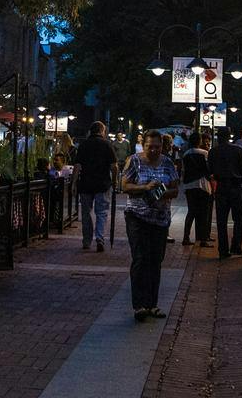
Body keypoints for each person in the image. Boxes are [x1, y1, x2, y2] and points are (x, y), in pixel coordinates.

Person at [119, 132, 178, 322]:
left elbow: (175, 189)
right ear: (143, 145)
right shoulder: (134, 161)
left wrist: (161, 191)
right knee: (140, 257)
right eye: (149, 146)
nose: (153, 150)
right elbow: (125, 186)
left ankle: (152, 303)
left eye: (157, 147)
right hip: (137, 216)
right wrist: (145, 188)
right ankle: (139, 305)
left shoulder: (168, 163)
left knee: (155, 260)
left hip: (160, 219)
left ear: (162, 146)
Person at [74, 122, 117, 252]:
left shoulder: (83, 144)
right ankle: (100, 238)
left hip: (86, 184)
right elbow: (114, 166)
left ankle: (87, 240)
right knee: (101, 212)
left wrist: (74, 183)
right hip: (102, 184)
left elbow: (77, 165)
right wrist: (114, 182)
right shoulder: (107, 144)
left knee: (86, 213)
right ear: (102, 131)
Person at [210, 129, 242, 258]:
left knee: (221, 220)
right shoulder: (238, 150)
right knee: (239, 218)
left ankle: (223, 249)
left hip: (221, 187)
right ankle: (236, 245)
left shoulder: (213, 151)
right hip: (235, 187)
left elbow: (210, 169)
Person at [179, 130, 213, 248]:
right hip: (202, 185)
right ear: (199, 141)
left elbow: (183, 171)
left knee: (191, 212)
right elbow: (208, 169)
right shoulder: (204, 153)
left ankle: (186, 237)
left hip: (189, 186)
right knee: (204, 213)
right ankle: (203, 239)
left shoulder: (186, 154)